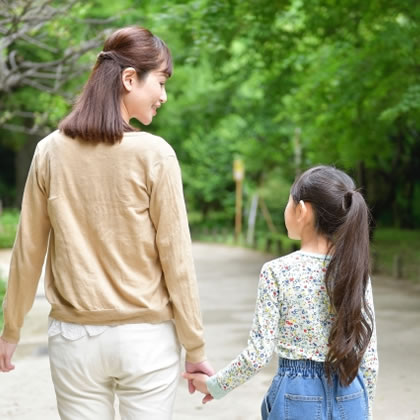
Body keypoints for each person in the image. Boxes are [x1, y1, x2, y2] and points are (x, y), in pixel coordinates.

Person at [0, 26, 213, 420]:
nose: (163, 96)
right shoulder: (156, 155)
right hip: (146, 340)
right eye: (161, 82)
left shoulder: (49, 151)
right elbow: (177, 261)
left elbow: (28, 251)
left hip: (74, 340)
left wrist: (11, 329)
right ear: (130, 78)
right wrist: (195, 349)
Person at [184, 165, 379, 419]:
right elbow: (370, 358)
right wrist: (366, 408)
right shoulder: (355, 271)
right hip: (351, 392)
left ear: (302, 210)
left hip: (297, 396)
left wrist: (216, 386)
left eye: (289, 202)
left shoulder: (278, 271)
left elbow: (258, 355)